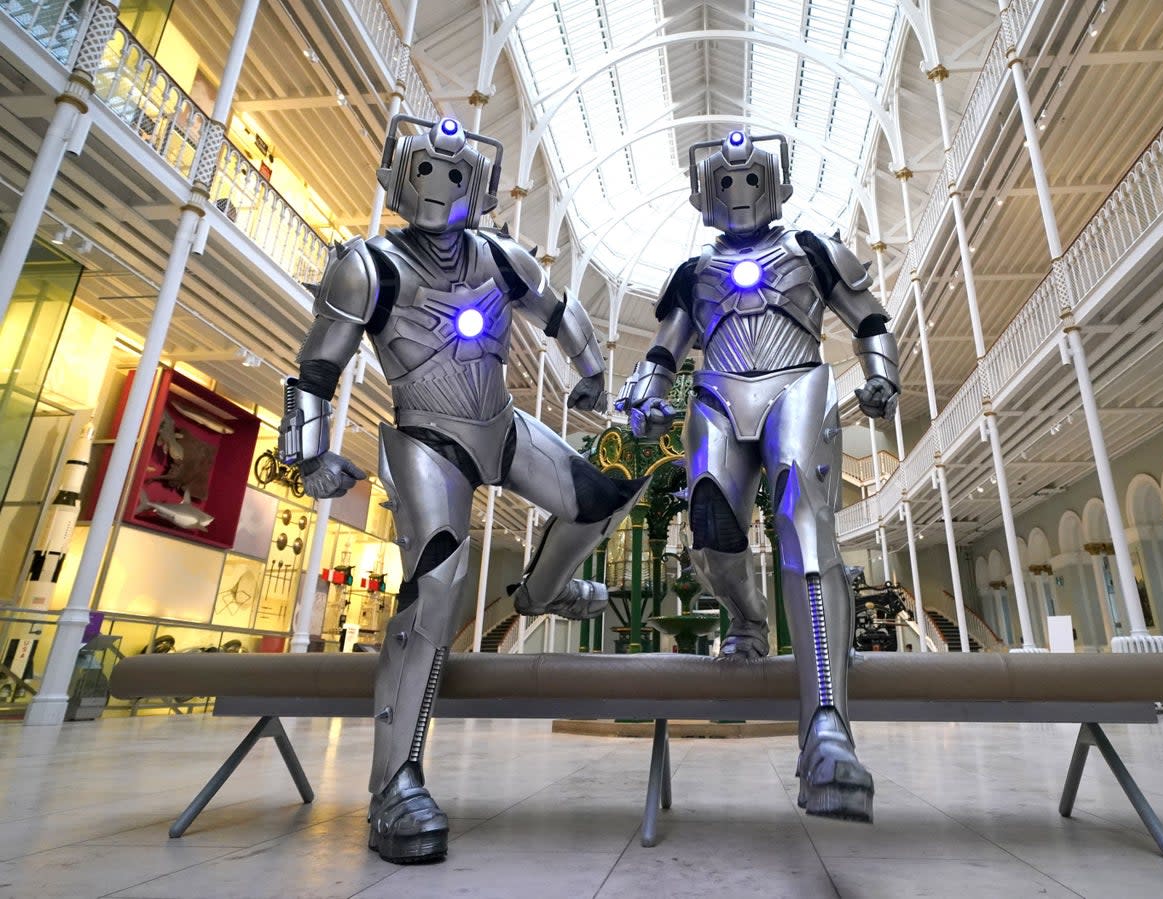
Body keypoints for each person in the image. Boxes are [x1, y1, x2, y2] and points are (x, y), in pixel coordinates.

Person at [279, 115, 646, 863]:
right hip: (425, 437)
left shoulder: (500, 256)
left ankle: (542, 593)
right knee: (438, 582)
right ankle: (395, 785)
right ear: (400, 176)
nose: (442, 187)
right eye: (428, 171)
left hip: (502, 427)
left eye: (456, 174)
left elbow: (560, 308)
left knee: (606, 491)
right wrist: (308, 455)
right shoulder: (367, 266)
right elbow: (316, 370)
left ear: (476, 186)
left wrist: (592, 371)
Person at [615, 130, 900, 823]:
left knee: (803, 514)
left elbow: (867, 316)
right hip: (715, 391)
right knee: (710, 522)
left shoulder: (808, 250)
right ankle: (747, 615)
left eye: (750, 180)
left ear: (774, 184)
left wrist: (881, 371)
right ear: (705, 193)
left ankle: (827, 727)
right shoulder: (694, 271)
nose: (738, 193)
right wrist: (645, 393)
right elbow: (663, 348)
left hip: (798, 382)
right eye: (725, 183)